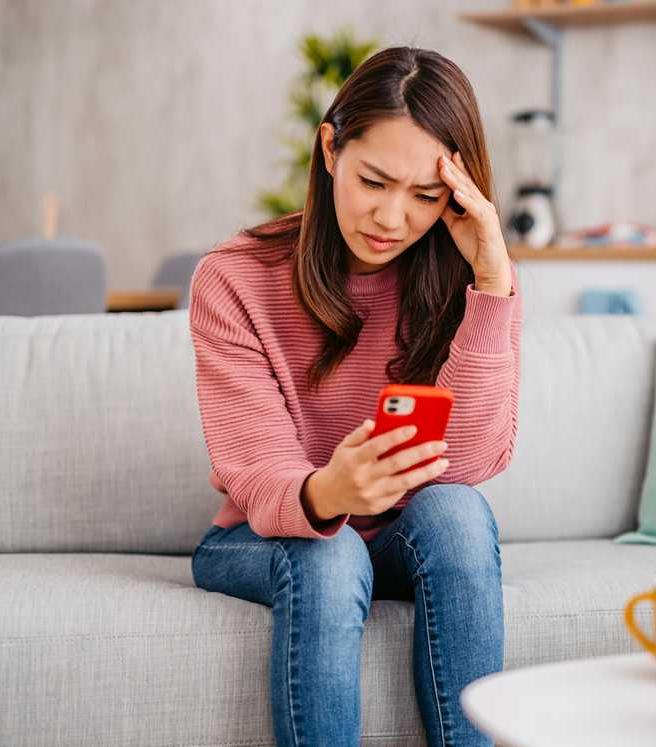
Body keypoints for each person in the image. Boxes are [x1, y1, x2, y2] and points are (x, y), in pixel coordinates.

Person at [187, 45, 521, 747]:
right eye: (374, 180)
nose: (392, 218)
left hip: (401, 533)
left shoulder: (462, 277)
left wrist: (491, 282)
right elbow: (255, 466)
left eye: (425, 196)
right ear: (330, 148)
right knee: (332, 553)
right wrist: (329, 490)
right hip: (266, 531)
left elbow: (465, 463)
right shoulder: (235, 278)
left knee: (459, 512)